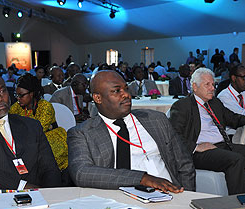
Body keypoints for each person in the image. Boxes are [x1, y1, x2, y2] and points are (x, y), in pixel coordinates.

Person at [67, 70, 195, 192]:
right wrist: (142, 179)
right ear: (98, 98)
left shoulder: (156, 120)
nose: (126, 95)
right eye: (117, 91)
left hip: (171, 195)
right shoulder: (82, 133)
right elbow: (81, 172)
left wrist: (187, 198)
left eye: (126, 89)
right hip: (121, 202)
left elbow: (185, 165)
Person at [169, 68, 245, 195]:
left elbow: (233, 117)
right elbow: (173, 135)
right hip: (199, 152)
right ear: (194, 87)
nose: (212, 88)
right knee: (236, 159)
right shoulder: (182, 106)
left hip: (223, 145)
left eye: (213, 84)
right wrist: (196, 147)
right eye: (207, 84)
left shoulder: (215, 103)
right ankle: (243, 202)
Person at [0, 71, 61, 195]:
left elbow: (50, 168)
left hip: (39, 198)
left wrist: (51, 195)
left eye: (2, 91)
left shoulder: (32, 125)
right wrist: (22, 186)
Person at [9, 73, 68, 171]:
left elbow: (37, 131)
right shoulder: (16, 107)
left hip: (49, 140)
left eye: (21, 95)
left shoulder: (45, 107)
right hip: (26, 141)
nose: (18, 98)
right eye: (16, 95)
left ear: (31, 94)